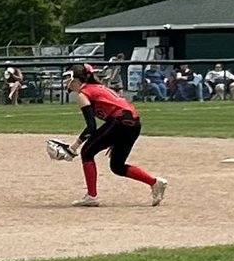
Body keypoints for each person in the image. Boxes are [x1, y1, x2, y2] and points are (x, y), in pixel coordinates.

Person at [62, 62, 167, 208]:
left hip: (120, 122)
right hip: (133, 123)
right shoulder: (96, 88)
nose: (67, 81)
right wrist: (114, 137)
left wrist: (73, 147)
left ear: (77, 78)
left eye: (69, 78)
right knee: (117, 166)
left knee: (87, 152)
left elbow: (91, 127)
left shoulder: (84, 94)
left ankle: (91, 196)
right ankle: (154, 182)